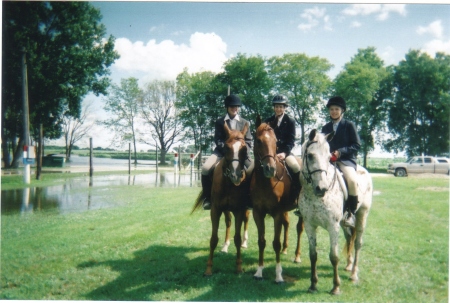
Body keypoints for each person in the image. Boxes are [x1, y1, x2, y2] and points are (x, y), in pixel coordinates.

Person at [201, 94, 253, 210]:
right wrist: (227, 150)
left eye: (236, 107)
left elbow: (249, 141)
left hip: (241, 154)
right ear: (227, 107)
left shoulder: (245, 123)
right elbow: (218, 139)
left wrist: (243, 152)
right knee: (205, 168)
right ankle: (207, 198)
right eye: (231, 107)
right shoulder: (220, 122)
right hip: (222, 153)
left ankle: (249, 198)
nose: (234, 109)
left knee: (253, 169)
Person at [321, 96, 361, 228]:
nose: (334, 111)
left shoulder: (349, 125)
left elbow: (356, 145)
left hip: (345, 160)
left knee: (352, 180)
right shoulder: (325, 127)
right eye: (331, 109)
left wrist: (340, 152)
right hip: (329, 161)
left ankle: (350, 213)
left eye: (336, 109)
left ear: (342, 111)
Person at [264, 95, 301, 209]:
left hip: (285, 153)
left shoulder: (290, 121)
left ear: (285, 108)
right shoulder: (268, 121)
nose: (278, 109)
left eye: (281, 107)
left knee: (295, 167)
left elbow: (291, 140)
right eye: (276, 106)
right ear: (274, 107)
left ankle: (297, 196)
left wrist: (284, 153)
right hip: (270, 153)